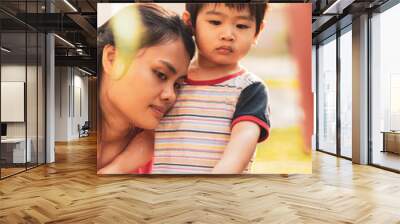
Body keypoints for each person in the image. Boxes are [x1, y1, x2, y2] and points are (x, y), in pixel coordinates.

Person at [152, 2, 271, 174]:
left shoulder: (250, 88)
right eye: (215, 22)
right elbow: (146, 134)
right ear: (190, 23)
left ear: (257, 31)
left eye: (241, 26)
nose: (228, 35)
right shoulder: (172, 79)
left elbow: (243, 143)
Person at [97, 4, 195, 174]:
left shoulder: (166, 154)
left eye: (178, 85)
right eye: (161, 74)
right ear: (112, 59)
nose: (171, 96)